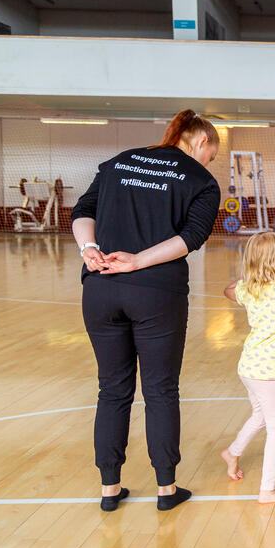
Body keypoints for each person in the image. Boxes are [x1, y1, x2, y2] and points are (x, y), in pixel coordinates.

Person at [71, 109, 221, 512]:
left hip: (100, 288)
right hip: (157, 294)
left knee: (112, 390)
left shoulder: (119, 162)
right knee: (159, 390)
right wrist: (137, 261)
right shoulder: (201, 180)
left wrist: (89, 250)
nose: (210, 163)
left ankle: (109, 489)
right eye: (213, 154)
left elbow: (83, 211)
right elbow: (190, 238)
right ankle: (166, 490)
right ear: (202, 141)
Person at [219, 231, 275, 504]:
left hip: (248, 367)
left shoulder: (247, 289)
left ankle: (232, 453)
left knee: (260, 414)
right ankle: (267, 489)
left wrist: (244, 281)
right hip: (268, 372)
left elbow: (228, 290)